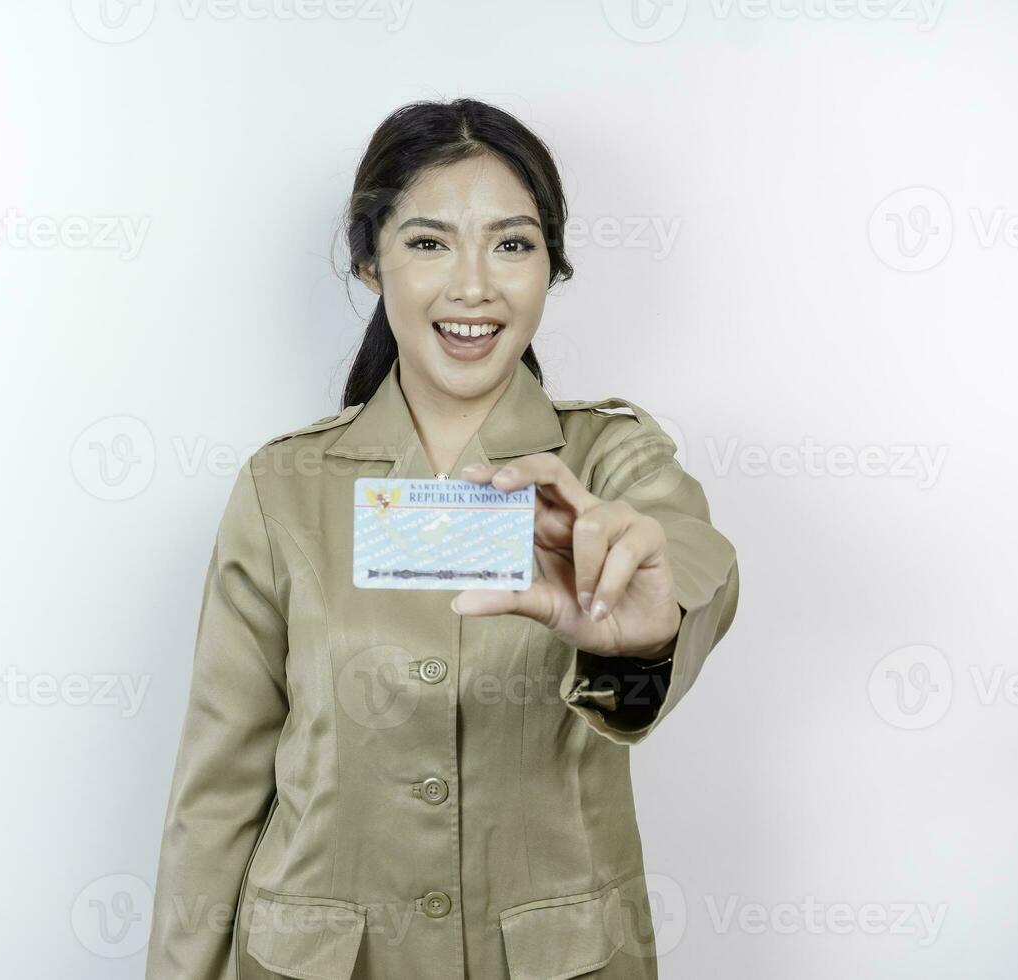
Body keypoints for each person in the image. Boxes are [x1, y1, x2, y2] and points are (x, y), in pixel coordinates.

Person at [144, 97, 740, 980]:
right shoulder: (283, 488)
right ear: (371, 264)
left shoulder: (607, 455)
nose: (475, 286)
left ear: (550, 266)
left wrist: (649, 626)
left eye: (512, 244)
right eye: (429, 242)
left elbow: (689, 551)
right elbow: (217, 791)